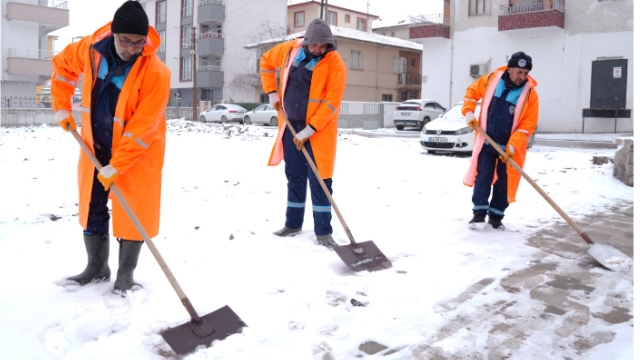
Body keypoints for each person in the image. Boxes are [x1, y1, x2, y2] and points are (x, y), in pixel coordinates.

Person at [51, 0, 170, 294]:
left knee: (133, 211)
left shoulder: (156, 73)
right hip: (95, 145)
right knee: (93, 207)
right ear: (113, 34)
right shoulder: (90, 50)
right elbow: (63, 69)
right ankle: (96, 267)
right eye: (125, 41)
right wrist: (62, 108)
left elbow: (143, 128)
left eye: (138, 42)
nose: (131, 48)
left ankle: (125, 276)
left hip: (138, 152)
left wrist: (118, 165)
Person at [259, 18, 347, 247]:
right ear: (306, 42)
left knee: (320, 181)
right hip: (290, 126)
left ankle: (323, 232)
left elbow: (331, 102)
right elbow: (266, 62)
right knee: (295, 177)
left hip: (318, 131)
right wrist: (271, 92)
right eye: (315, 45)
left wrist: (310, 129)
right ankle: (293, 224)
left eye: (323, 45)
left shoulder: (335, 64)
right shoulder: (289, 50)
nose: (319, 49)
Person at [462, 51, 539, 230]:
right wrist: (468, 112)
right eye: (519, 72)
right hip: (487, 141)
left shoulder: (530, 95)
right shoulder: (492, 80)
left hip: (509, 148)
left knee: (504, 182)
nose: (522, 77)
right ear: (510, 69)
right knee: (483, 177)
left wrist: (512, 146)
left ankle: (496, 217)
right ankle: (479, 215)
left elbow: (527, 126)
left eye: (526, 73)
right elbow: (471, 93)